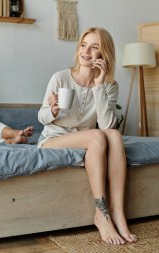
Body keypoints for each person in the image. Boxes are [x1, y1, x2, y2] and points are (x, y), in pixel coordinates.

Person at [37, 27, 137, 245]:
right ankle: (101, 213)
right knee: (98, 137)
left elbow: (108, 125)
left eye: (94, 47)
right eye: (83, 45)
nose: (86, 51)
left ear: (104, 54)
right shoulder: (60, 78)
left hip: (89, 139)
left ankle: (117, 212)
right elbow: (41, 117)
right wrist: (52, 111)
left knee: (114, 136)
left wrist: (99, 86)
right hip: (54, 139)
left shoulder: (109, 85)